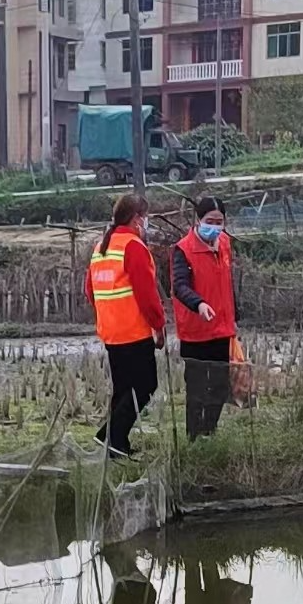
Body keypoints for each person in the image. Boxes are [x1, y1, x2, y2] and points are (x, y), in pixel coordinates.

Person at [85, 193, 166, 459]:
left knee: (123, 389)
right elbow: (147, 294)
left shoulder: (101, 247)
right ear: (136, 218)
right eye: (146, 217)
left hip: (111, 331)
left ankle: (117, 444)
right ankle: (109, 436)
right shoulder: (133, 247)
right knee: (145, 385)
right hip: (133, 331)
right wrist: (159, 325)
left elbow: (90, 291)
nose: (147, 222)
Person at [171, 194, 238, 441]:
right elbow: (179, 286)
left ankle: (209, 430)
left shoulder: (225, 244)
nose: (215, 226)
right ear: (198, 220)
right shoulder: (183, 250)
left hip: (221, 328)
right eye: (210, 220)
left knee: (220, 386)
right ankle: (193, 436)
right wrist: (198, 304)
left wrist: (234, 316)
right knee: (196, 389)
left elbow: (227, 284)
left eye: (220, 221)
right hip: (196, 331)